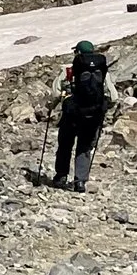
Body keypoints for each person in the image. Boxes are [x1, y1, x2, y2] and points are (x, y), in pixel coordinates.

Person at [53, 39, 112, 191]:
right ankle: (80, 182)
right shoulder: (102, 71)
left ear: (77, 53)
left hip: (72, 115)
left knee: (65, 145)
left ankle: (61, 176)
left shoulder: (68, 70)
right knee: (84, 147)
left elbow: (55, 92)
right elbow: (114, 96)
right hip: (93, 115)